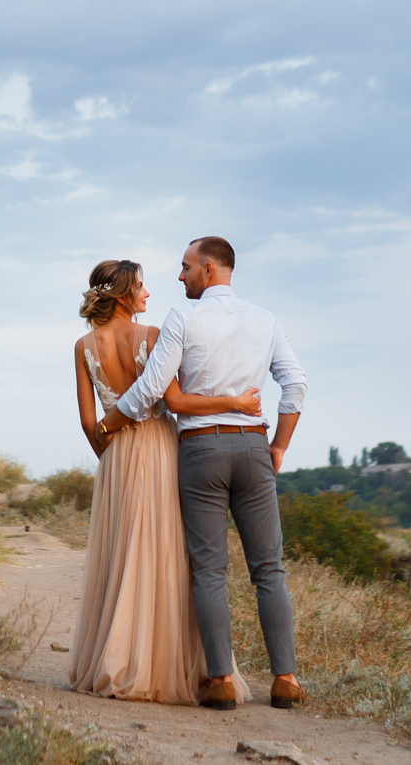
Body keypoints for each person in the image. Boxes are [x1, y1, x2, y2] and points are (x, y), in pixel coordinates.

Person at [105, 236, 307, 713]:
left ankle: (219, 682)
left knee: (209, 570)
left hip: (200, 448)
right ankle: (286, 679)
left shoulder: (184, 317)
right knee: (269, 568)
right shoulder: (265, 320)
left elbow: (154, 385)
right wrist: (278, 444)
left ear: (210, 269)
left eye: (186, 267)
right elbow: (295, 384)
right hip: (253, 446)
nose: (180, 276)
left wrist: (113, 419)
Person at [69, 259, 266, 704]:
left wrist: (112, 455)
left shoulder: (82, 346)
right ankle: (170, 663)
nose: (148, 294)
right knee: (168, 554)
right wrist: (232, 400)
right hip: (159, 448)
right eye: (141, 286)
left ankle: (116, 657)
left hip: (116, 452)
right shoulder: (152, 336)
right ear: (123, 296)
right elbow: (174, 400)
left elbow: (88, 421)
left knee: (124, 555)